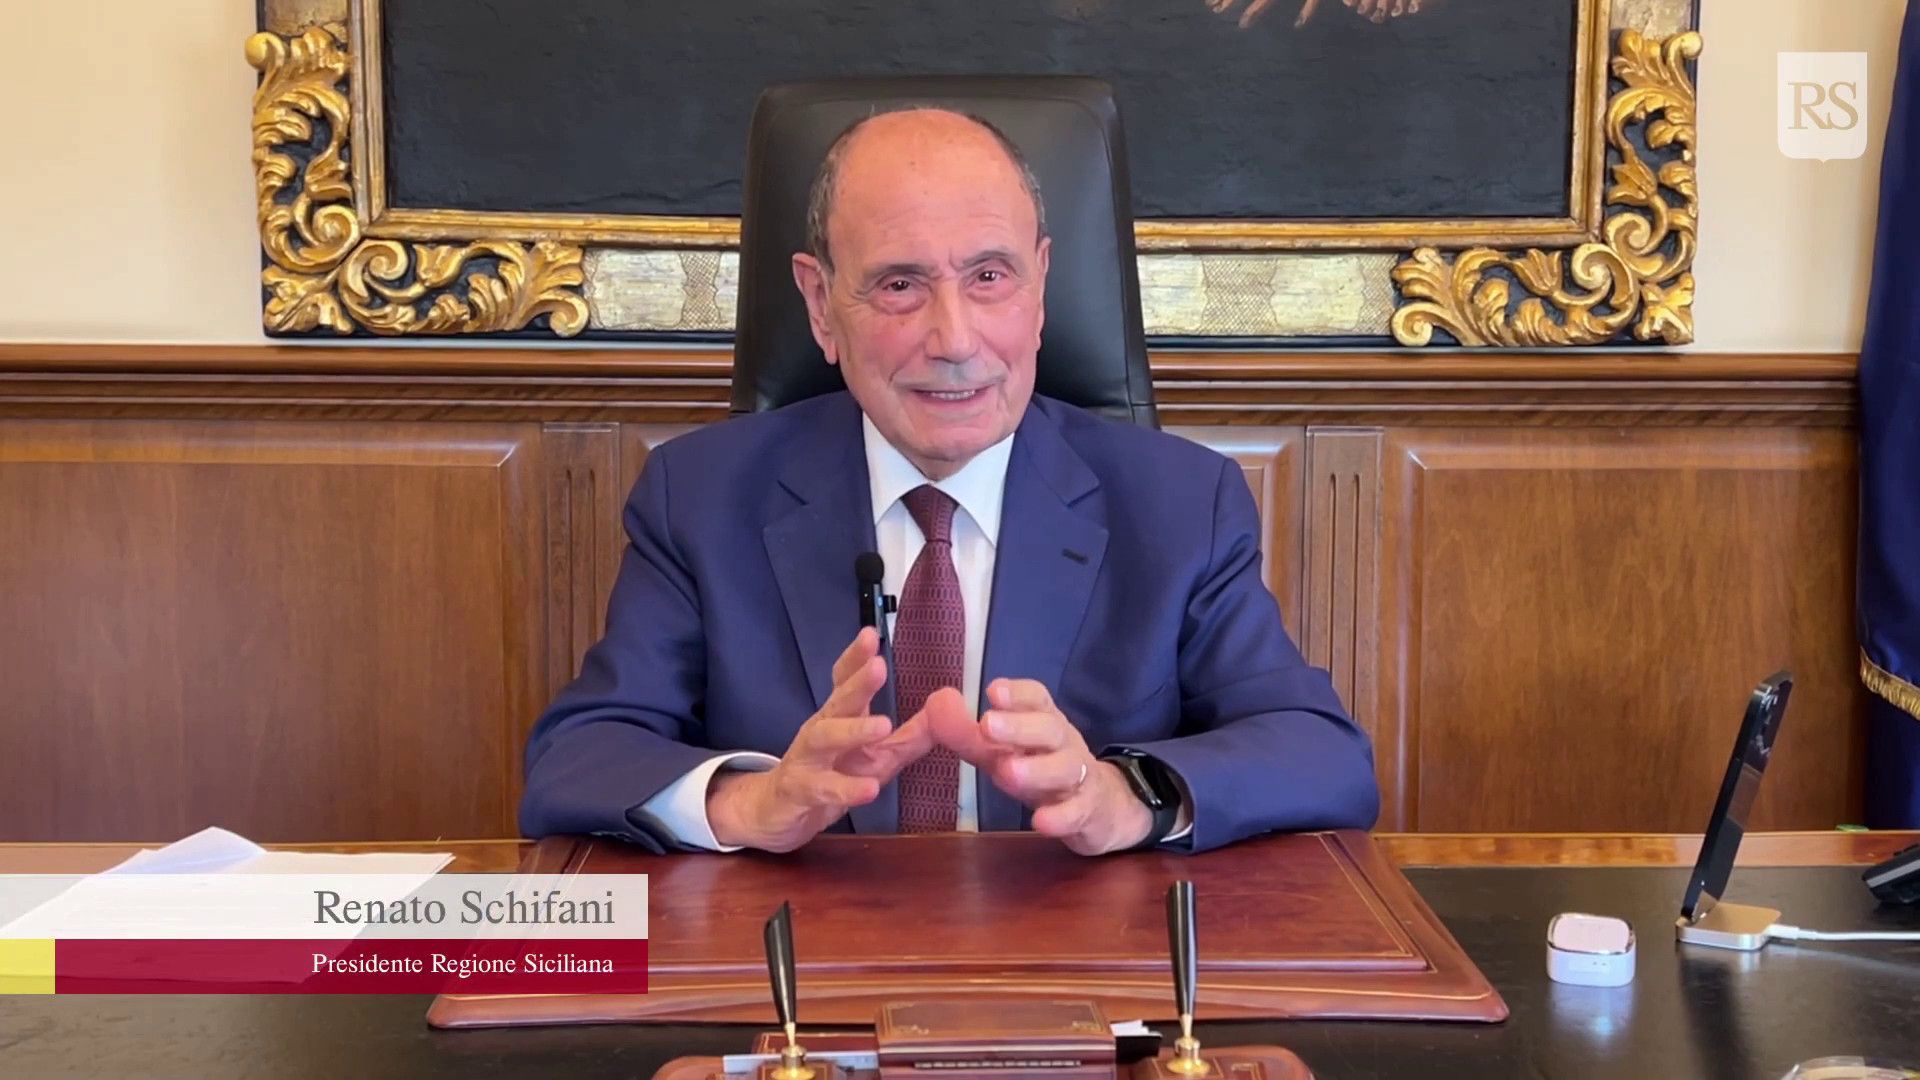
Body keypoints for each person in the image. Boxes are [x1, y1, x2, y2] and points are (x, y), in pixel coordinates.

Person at [519, 107, 1378, 855]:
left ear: (1041, 288)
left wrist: (1127, 796)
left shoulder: (1180, 504)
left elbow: (1322, 755)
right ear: (820, 304)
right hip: (801, 954)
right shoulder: (700, 498)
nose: (956, 340)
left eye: (989, 278)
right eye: (901, 285)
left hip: (1076, 956)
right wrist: (753, 802)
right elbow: (577, 760)